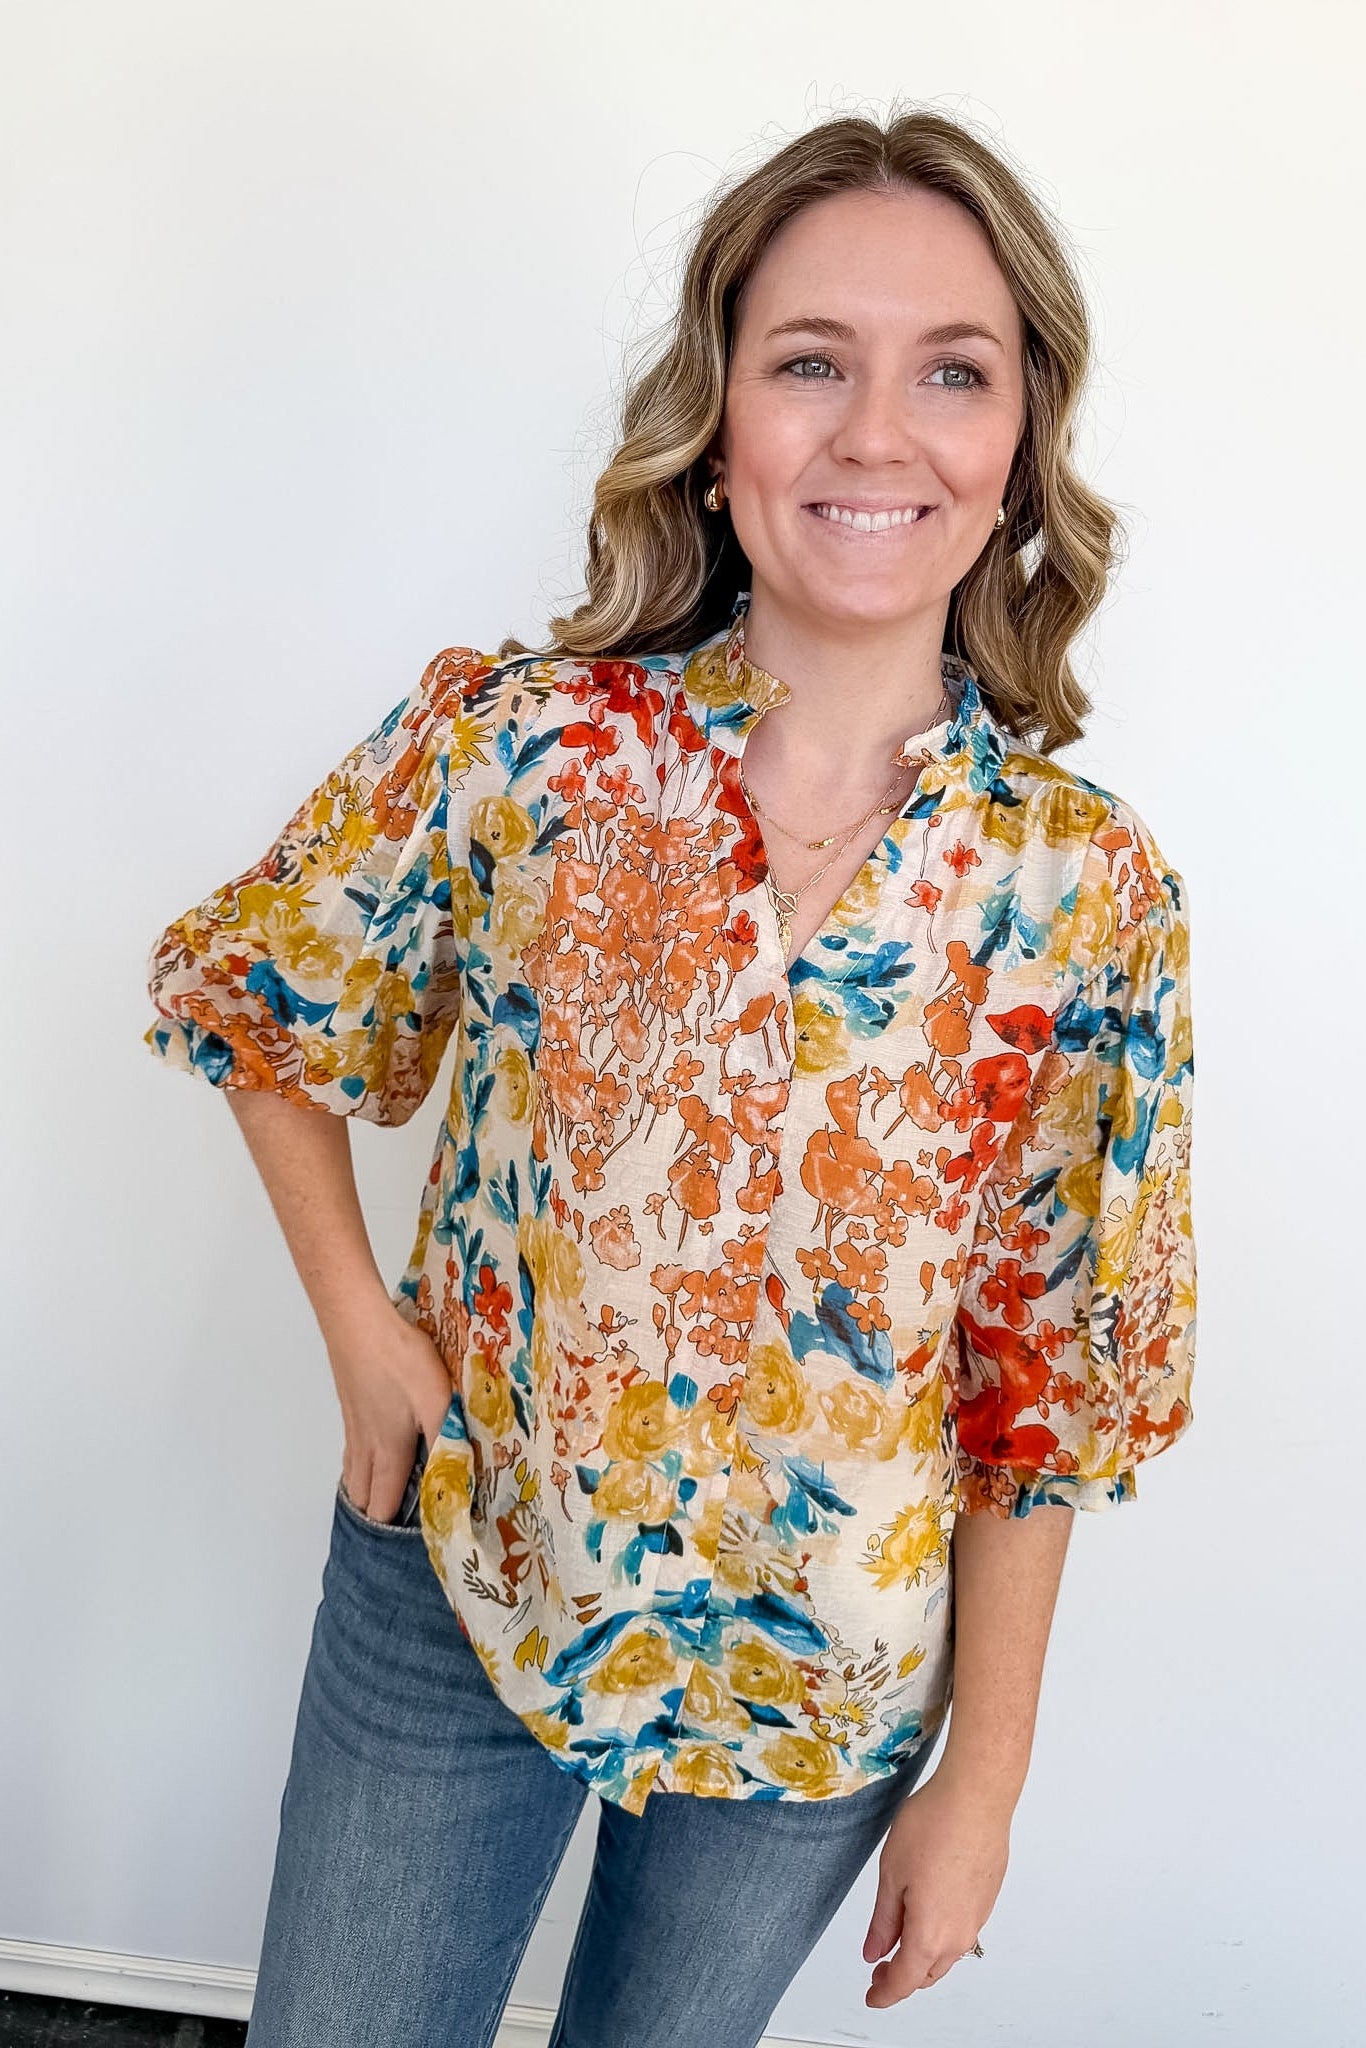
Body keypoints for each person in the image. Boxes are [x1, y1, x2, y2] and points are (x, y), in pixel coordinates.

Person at [143, 105, 1196, 2048]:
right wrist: (360, 1329)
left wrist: (981, 1778)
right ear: (718, 427)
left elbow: (1042, 1386)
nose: (874, 431)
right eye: (810, 362)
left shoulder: (1080, 890)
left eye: (947, 372)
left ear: (1012, 449)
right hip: (467, 1577)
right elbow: (253, 991)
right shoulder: (525, 749)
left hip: (826, 1671)